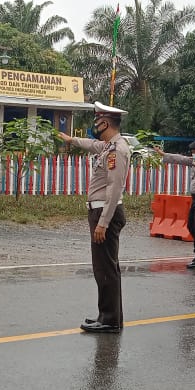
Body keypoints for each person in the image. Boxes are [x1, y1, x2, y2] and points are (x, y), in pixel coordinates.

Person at [58, 102, 131, 333]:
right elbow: (91, 144)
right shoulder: (108, 146)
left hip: (105, 212)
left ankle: (110, 320)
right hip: (100, 211)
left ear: (105, 123)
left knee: (105, 269)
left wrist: (103, 223)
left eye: (97, 120)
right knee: (105, 267)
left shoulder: (118, 150)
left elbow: (114, 189)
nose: (95, 125)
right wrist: (71, 140)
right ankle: (107, 316)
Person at [153, 140, 195, 269]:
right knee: (191, 226)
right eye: (193, 152)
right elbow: (180, 159)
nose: (194, 154)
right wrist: (162, 153)